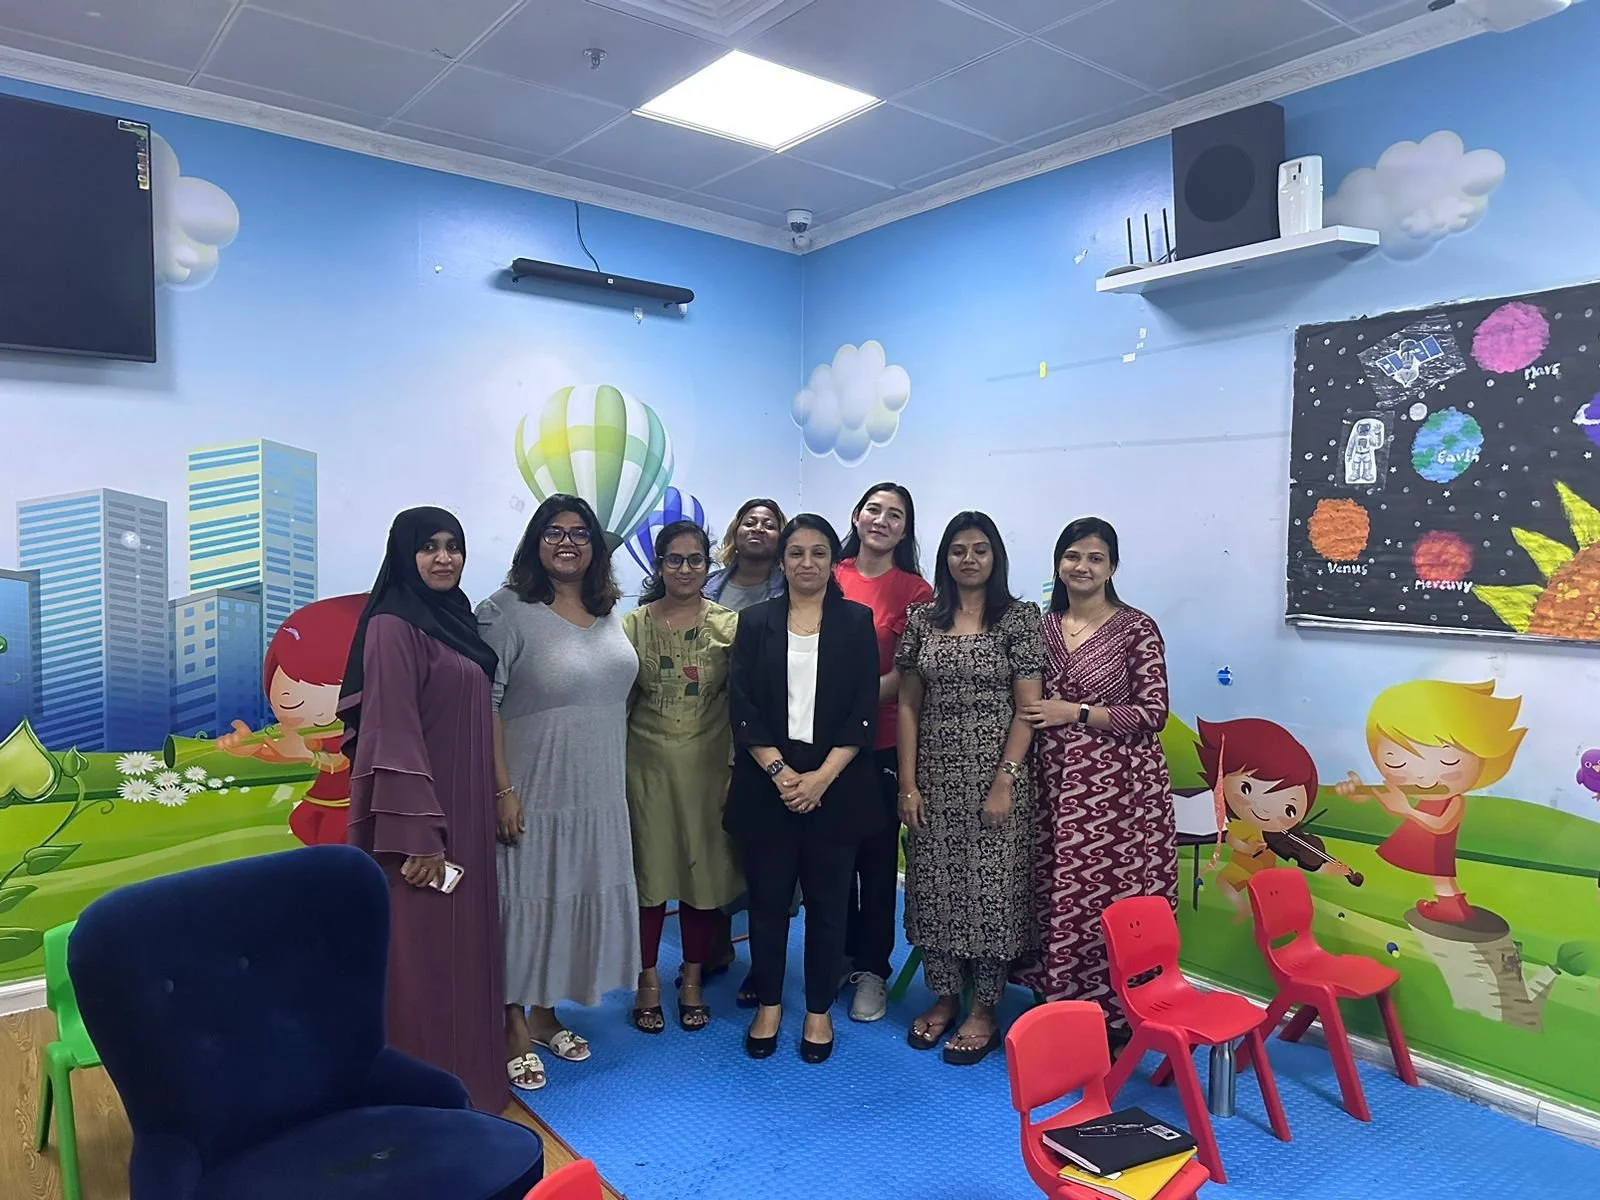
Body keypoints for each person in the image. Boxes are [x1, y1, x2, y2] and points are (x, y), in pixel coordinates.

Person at [340, 507, 505, 1112]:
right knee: (425, 963)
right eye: (429, 547)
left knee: (465, 956)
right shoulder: (392, 625)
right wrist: (418, 837)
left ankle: (476, 1086)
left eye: (454, 546)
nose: (444, 558)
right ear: (402, 555)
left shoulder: (453, 618)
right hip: (419, 826)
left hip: (463, 815)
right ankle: (424, 1104)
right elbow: (392, 732)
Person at [479, 495, 641, 1092]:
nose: (567, 542)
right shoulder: (504, 611)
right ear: (534, 542)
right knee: (525, 898)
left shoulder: (607, 610)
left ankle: (546, 1013)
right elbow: (484, 707)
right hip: (533, 785)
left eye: (580, 533)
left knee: (572, 892)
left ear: (596, 545)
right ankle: (511, 1024)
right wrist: (502, 789)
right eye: (554, 532)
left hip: (598, 788)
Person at [1017, 517, 1177, 1050]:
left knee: (1110, 901)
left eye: (1095, 558)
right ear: (1058, 562)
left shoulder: (1136, 627)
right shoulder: (1042, 627)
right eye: (1072, 556)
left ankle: (1114, 1015)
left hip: (1119, 797)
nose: (1082, 567)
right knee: (1052, 890)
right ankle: (1056, 1005)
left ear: (1112, 568)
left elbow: (1154, 714)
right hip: (1051, 787)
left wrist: (1078, 712)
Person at [726, 514, 880, 1063]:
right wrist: (779, 773)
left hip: (835, 786)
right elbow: (741, 710)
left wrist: (819, 779)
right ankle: (769, 1002)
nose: (807, 563)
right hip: (768, 784)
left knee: (828, 904)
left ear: (831, 562)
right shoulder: (755, 622)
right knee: (766, 903)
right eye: (796, 553)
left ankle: (817, 1010)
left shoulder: (856, 622)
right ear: (783, 560)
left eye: (819, 553)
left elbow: (863, 712)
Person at [897, 512, 1042, 1065]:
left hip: (996, 777)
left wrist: (1005, 779)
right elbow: (909, 704)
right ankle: (942, 998)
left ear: (995, 556)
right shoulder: (922, 619)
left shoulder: (1018, 620)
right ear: (945, 558)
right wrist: (907, 783)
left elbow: (1028, 710)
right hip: (932, 776)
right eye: (958, 550)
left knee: (990, 893)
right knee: (932, 888)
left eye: (980, 549)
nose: (969, 559)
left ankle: (984, 1008)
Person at [621, 520, 742, 1034]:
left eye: (696, 560)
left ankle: (691, 981)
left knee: (701, 879)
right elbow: (619, 706)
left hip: (711, 769)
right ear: (659, 565)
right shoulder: (630, 627)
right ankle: (647, 981)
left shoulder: (730, 627)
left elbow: (743, 706)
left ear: (708, 565)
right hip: (642, 769)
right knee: (648, 881)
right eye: (675, 559)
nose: (686, 569)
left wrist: (740, 768)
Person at [834, 482, 932, 1022]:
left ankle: (873, 967)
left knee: (874, 860)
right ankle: (838, 957)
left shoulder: (917, 592)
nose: (882, 520)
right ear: (856, 514)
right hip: (821, 743)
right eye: (874, 509)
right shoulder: (831, 574)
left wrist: (845, 703)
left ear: (904, 528)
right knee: (830, 858)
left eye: (895, 515)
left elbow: (908, 675)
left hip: (882, 741)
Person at [701, 497, 788, 1004]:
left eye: (769, 523)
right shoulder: (709, 583)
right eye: (750, 521)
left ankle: (764, 963)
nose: (758, 529)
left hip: (766, 731)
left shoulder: (790, 589)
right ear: (737, 529)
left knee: (762, 853)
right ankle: (713, 944)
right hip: (706, 728)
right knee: (710, 837)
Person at [219, 592, 368, 846]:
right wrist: (255, 750)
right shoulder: (313, 731)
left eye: (320, 685)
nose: (291, 700)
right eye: (286, 682)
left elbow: (342, 762)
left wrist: (306, 755)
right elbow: (282, 751)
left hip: (352, 807)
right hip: (323, 801)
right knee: (307, 827)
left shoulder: (359, 731)